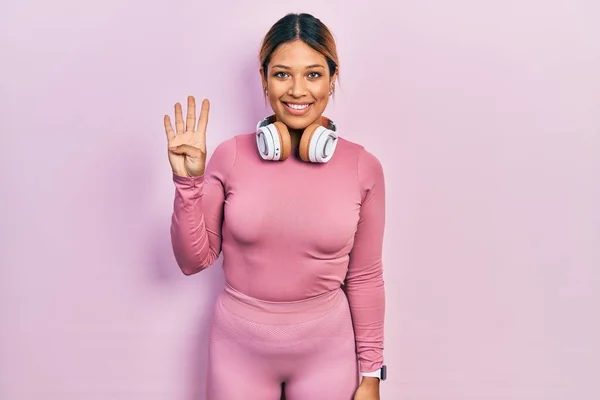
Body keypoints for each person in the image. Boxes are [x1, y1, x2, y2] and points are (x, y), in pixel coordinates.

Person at [163, 12, 386, 400]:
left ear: (333, 79)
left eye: (313, 74)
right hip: (237, 352)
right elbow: (192, 261)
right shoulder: (228, 156)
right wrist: (188, 182)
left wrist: (371, 374)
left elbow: (365, 276)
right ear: (264, 80)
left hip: (327, 354)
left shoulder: (363, 168)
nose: (297, 90)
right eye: (282, 74)